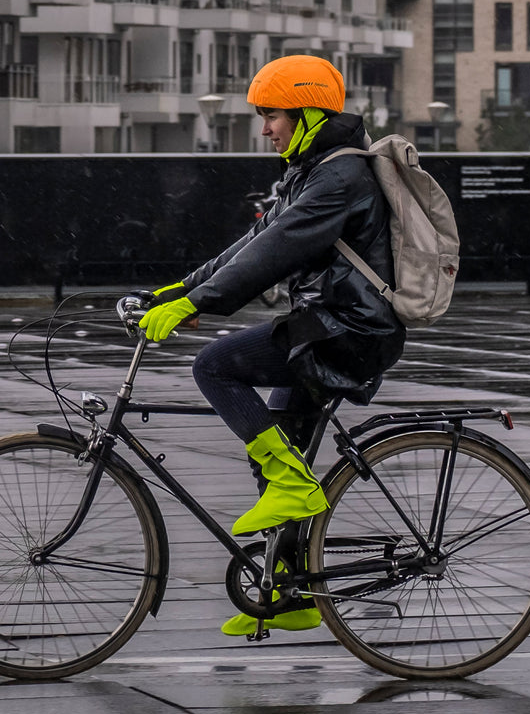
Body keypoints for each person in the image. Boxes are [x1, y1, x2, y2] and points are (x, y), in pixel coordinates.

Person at [139, 54, 405, 636]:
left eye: (271, 115)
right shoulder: (312, 170)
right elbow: (251, 241)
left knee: (216, 366)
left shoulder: (341, 177)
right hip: (328, 325)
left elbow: (275, 251)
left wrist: (199, 307)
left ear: (307, 112)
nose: (265, 128)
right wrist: (183, 289)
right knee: (278, 457)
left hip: (346, 333)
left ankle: (292, 488)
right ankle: (296, 597)